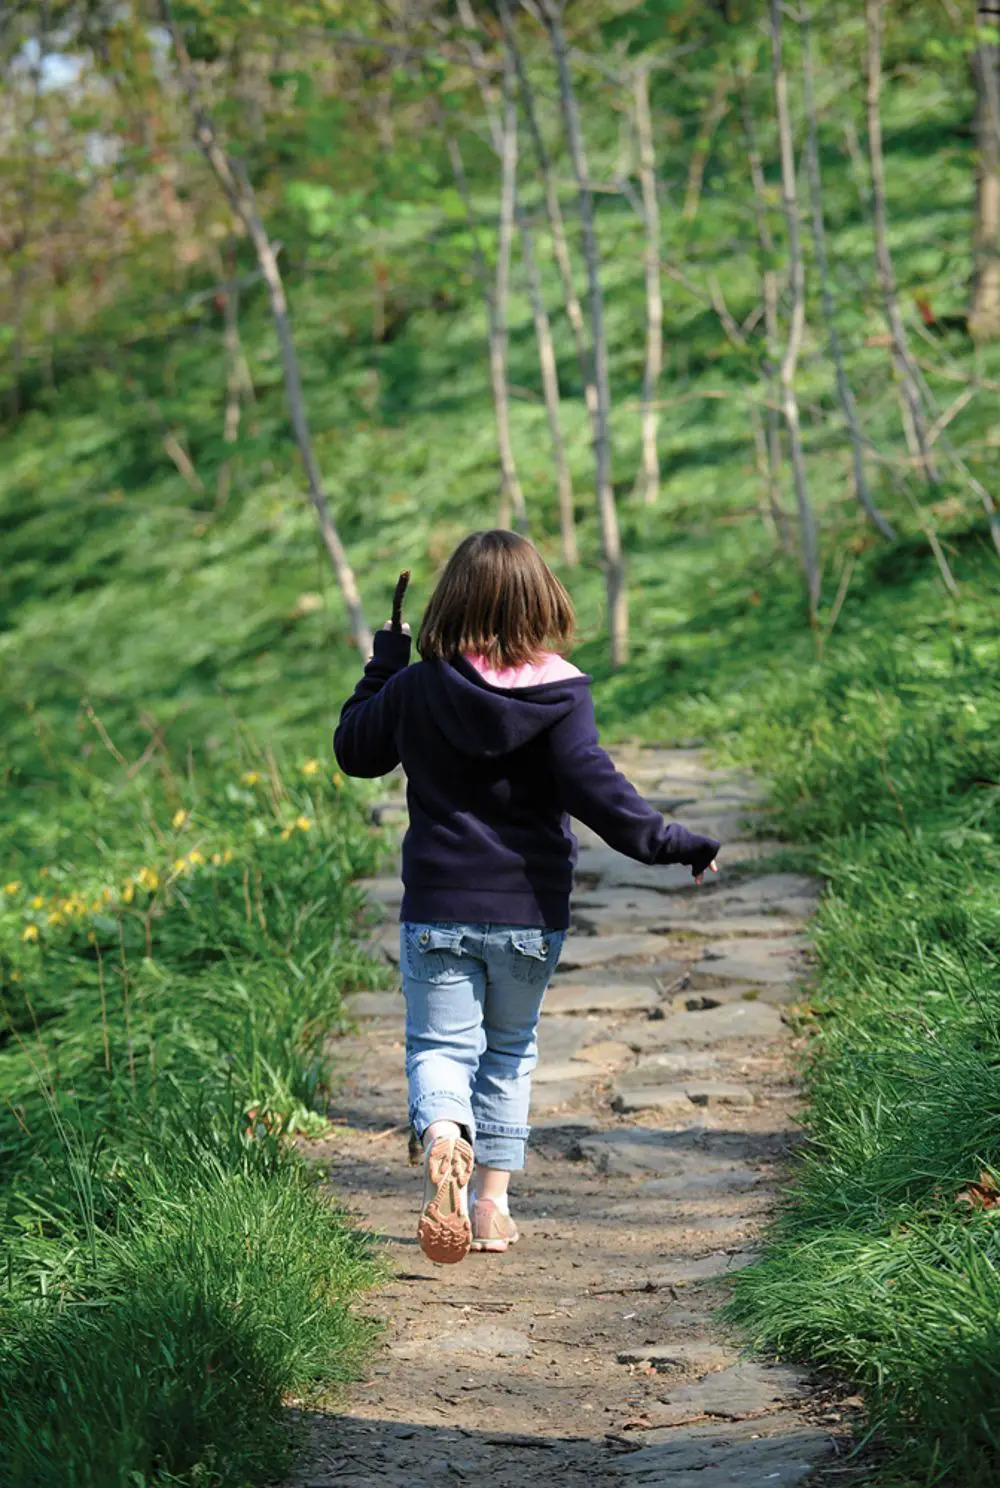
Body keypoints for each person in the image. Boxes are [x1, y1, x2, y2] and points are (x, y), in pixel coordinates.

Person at [334, 530, 720, 1266]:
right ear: (542, 601)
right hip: (528, 914)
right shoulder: (560, 690)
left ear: (449, 602)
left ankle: (445, 1137)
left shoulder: (417, 687)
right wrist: (674, 843)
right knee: (508, 1053)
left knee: (442, 1049)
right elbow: (599, 792)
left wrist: (385, 664)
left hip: (440, 908)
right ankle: (491, 1207)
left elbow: (356, 751)